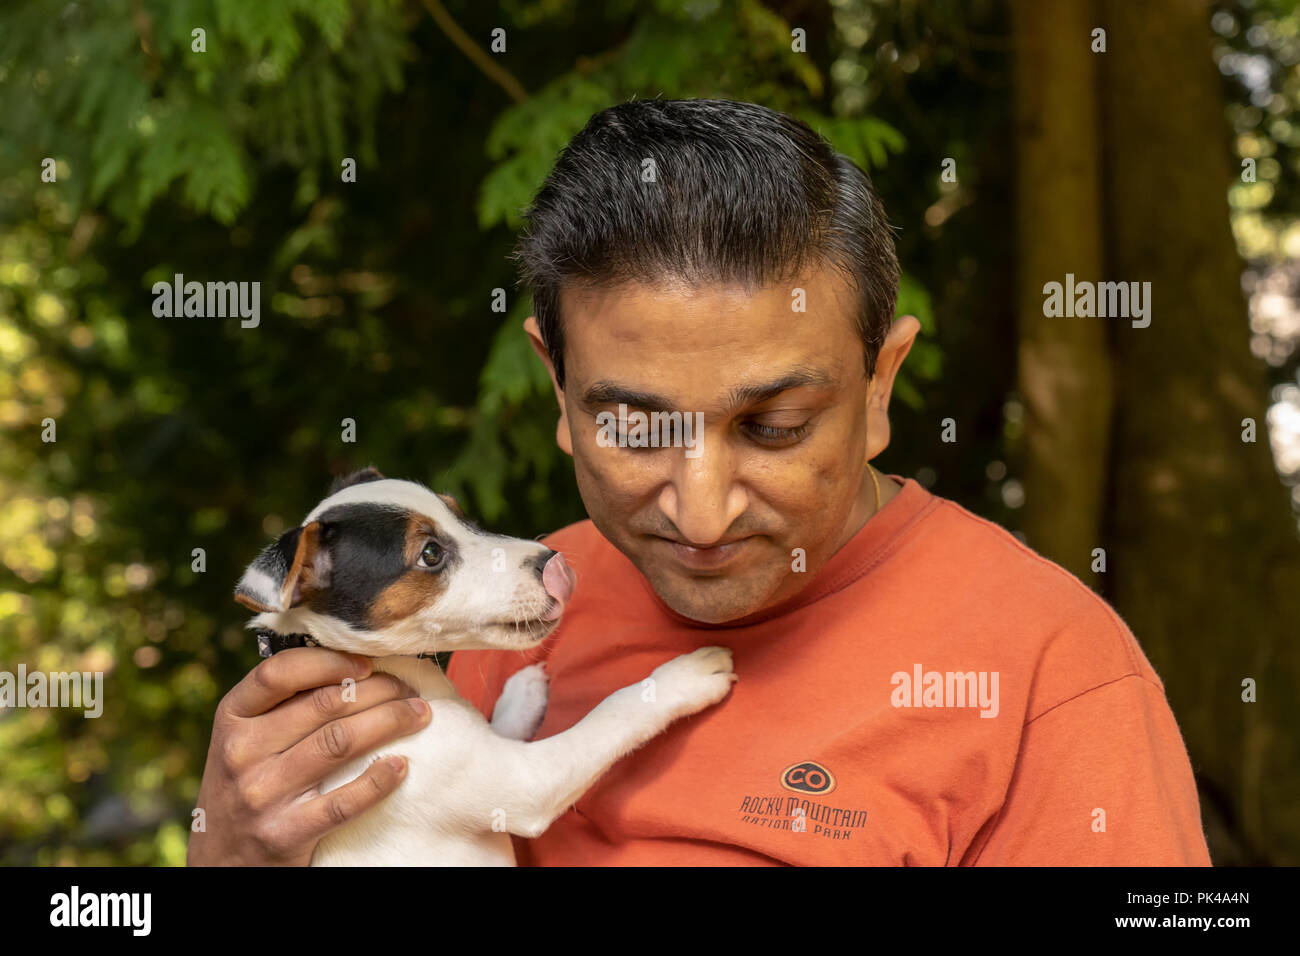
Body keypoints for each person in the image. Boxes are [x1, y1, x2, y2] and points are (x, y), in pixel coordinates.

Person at [188, 98, 1211, 866]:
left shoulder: (1051, 675)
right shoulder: (497, 628)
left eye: (772, 425)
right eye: (634, 427)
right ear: (557, 385)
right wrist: (235, 853)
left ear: (880, 382)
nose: (702, 509)